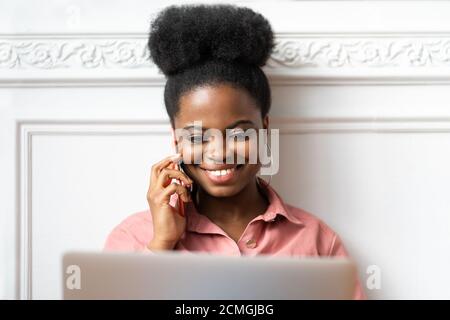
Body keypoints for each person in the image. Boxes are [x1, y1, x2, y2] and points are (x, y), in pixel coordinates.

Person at [104, 4, 366, 300]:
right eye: (197, 137)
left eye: (239, 133)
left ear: (264, 129)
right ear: (176, 140)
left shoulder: (317, 242)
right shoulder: (134, 238)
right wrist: (162, 244)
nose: (220, 152)